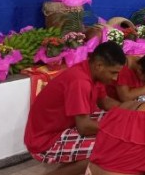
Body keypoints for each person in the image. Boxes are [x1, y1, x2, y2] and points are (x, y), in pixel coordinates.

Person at [24, 42, 125, 175]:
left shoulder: (91, 71)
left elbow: (105, 102)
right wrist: (119, 128)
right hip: (45, 141)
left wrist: (131, 114)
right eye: (113, 73)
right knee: (108, 146)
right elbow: (84, 127)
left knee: (116, 122)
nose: (115, 78)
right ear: (99, 65)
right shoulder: (80, 82)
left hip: (64, 127)